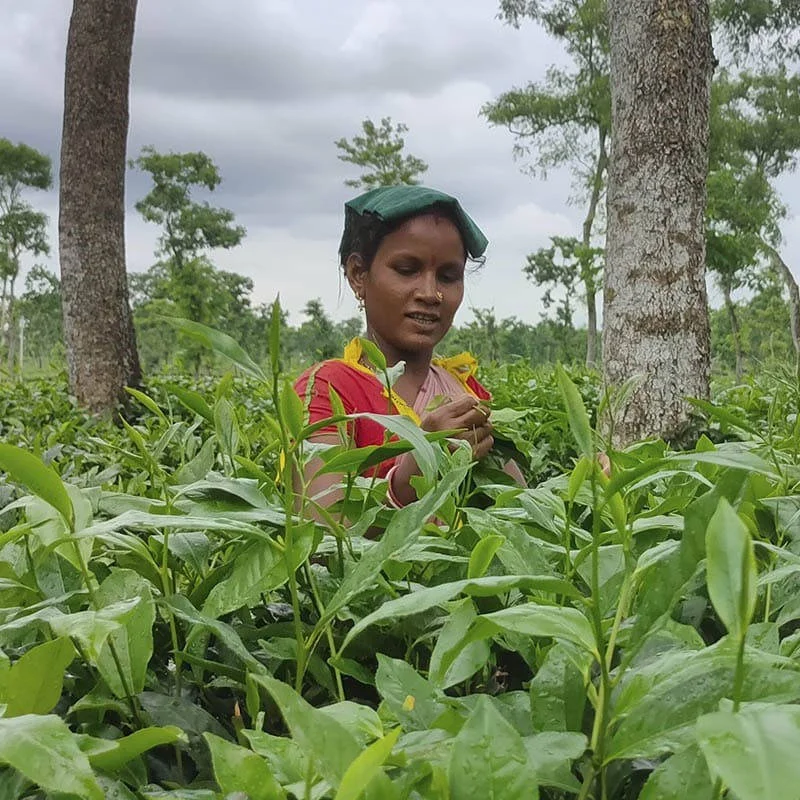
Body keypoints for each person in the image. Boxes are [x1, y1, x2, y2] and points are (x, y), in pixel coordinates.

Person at [294, 185, 523, 514]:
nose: (431, 293)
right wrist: (408, 480)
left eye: (448, 276)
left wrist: (592, 488)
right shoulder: (327, 392)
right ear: (358, 274)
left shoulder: (466, 391)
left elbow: (517, 512)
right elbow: (323, 544)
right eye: (407, 270)